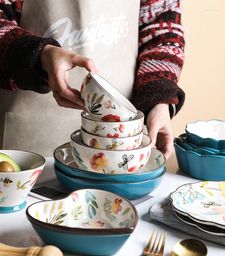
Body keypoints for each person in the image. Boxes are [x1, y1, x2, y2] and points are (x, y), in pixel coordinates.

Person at [0, 0, 185, 160]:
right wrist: (39, 55)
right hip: (26, 148)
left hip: (119, 141)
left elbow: (162, 29)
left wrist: (158, 100)